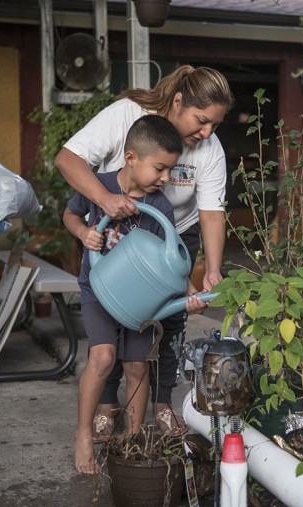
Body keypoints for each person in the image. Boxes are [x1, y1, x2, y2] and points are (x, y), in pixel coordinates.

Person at [55, 65, 234, 437]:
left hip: (174, 236)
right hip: (116, 221)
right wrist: (104, 200)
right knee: (113, 311)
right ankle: (108, 402)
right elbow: (68, 159)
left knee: (169, 323)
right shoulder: (127, 115)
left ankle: (162, 401)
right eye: (202, 121)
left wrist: (212, 269)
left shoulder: (209, 148)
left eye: (214, 125)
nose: (206, 133)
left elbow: (212, 212)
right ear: (179, 101)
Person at [64, 114, 207, 474]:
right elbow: (70, 214)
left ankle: (132, 438)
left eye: (169, 171)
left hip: (141, 302)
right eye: (159, 169)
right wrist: (84, 234)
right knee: (102, 358)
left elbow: (170, 261)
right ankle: (82, 433)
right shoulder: (98, 185)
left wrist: (191, 294)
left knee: (136, 366)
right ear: (130, 158)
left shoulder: (159, 207)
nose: (164, 179)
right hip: (99, 290)